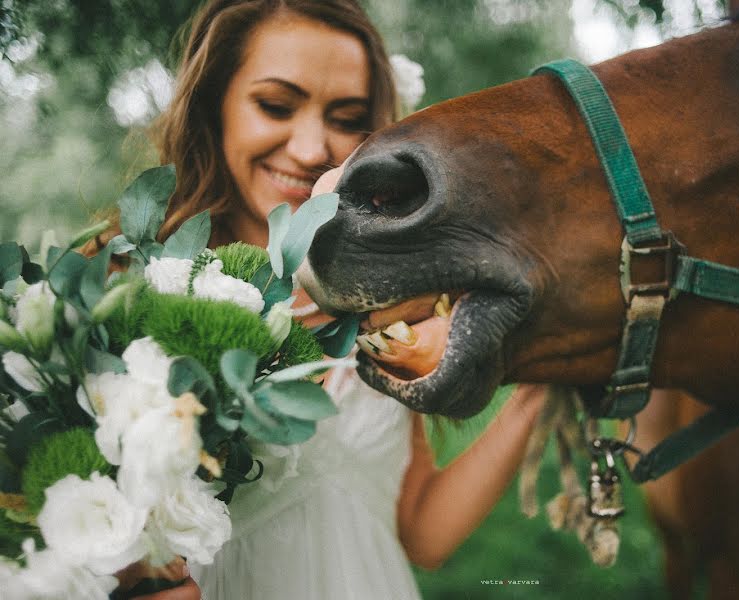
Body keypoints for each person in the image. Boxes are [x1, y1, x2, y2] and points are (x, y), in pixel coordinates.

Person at [100, 1, 548, 598]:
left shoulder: (393, 304)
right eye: (276, 106)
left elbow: (421, 533)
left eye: (347, 117)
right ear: (215, 105)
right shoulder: (128, 296)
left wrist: (543, 389)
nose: (313, 150)